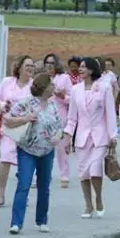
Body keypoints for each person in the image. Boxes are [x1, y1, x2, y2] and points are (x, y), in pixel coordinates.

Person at [4, 72, 64, 234]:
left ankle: (42, 220)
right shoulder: (26, 103)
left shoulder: (52, 106)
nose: (54, 87)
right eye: (51, 84)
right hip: (27, 150)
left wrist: (57, 138)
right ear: (43, 87)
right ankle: (16, 222)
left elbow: (59, 128)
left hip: (47, 151)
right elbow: (7, 120)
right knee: (24, 184)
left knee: (44, 187)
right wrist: (25, 119)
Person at [63, 57, 116, 219]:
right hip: (82, 137)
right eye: (80, 67)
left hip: (100, 136)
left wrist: (113, 135)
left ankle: (98, 198)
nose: (80, 69)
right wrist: (67, 137)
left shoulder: (104, 88)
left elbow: (110, 113)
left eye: (84, 67)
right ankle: (88, 204)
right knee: (83, 173)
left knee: (95, 168)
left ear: (92, 70)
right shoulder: (75, 90)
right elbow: (72, 118)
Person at [0, 56, 35, 207]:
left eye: (32, 66)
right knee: (5, 158)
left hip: (26, 129)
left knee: (25, 163)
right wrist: (3, 105)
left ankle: (23, 194)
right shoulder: (7, 82)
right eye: (27, 65)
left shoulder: (33, 85)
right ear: (20, 67)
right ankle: (1, 193)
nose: (30, 68)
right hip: (8, 126)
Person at [45, 53, 73, 187]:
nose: (49, 66)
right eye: (47, 63)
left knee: (61, 147)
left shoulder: (64, 78)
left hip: (60, 115)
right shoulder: (42, 78)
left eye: (52, 63)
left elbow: (72, 99)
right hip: (44, 115)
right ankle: (42, 174)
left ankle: (64, 175)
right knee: (43, 146)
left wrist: (62, 96)